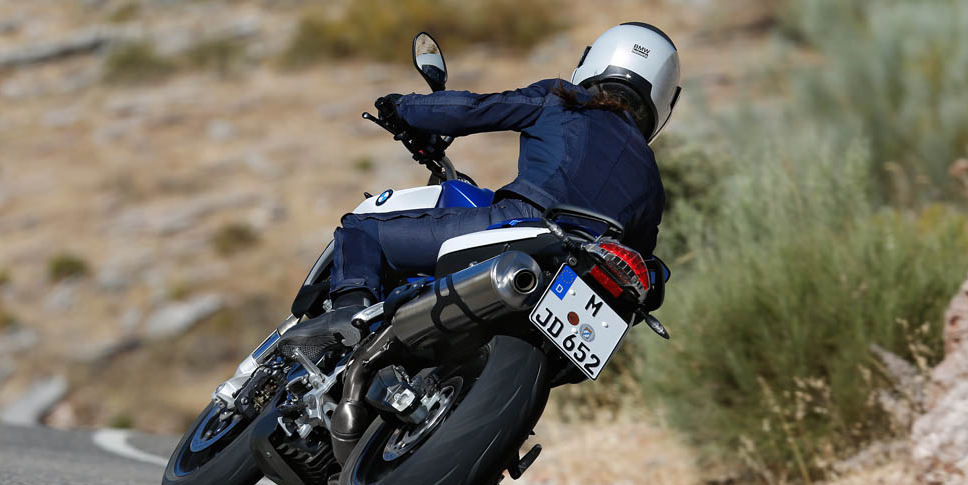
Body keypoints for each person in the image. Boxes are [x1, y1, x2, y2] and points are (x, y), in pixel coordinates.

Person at [286, 21, 681, 349]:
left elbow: (474, 109)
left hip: (529, 221)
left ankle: (345, 323)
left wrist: (402, 108)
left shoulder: (566, 101)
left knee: (362, 232)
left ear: (593, 60)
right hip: (589, 270)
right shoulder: (651, 179)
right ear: (664, 100)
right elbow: (642, 256)